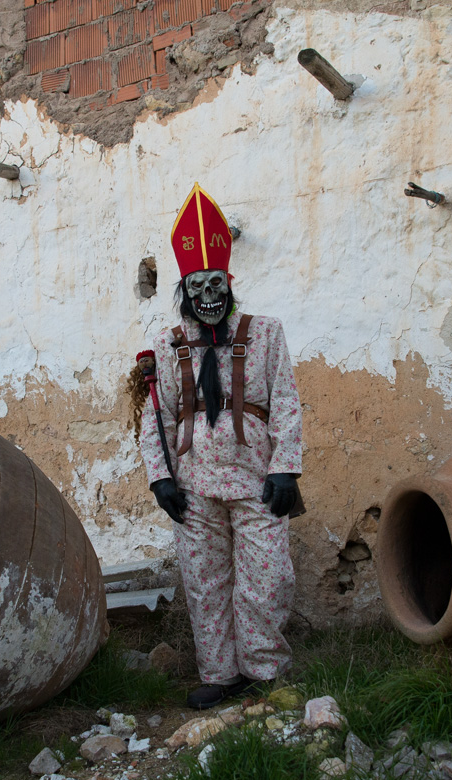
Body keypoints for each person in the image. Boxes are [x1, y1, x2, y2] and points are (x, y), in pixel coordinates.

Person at [137, 183, 304, 710]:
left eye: (215, 281)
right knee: (204, 582)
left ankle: (264, 670)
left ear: (228, 282)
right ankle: (222, 673)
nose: (207, 291)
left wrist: (286, 467)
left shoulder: (267, 333)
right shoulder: (166, 346)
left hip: (256, 478)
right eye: (196, 283)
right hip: (193, 484)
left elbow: (287, 402)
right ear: (183, 289)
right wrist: (160, 477)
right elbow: (157, 415)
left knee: (268, 576)